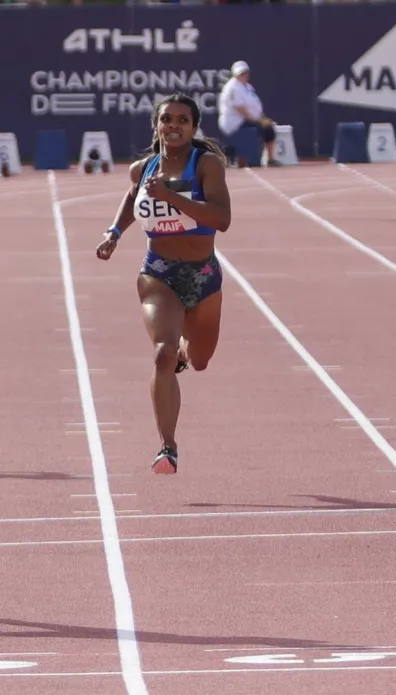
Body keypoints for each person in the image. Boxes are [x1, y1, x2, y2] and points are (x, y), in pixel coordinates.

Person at [94, 93, 231, 475]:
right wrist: (114, 232)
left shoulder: (206, 165)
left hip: (203, 275)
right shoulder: (142, 169)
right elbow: (131, 198)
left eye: (182, 120)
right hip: (158, 273)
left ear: (194, 127)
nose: (173, 126)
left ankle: (186, 351)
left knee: (199, 361)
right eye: (166, 119)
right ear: (156, 125)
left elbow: (222, 219)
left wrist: (170, 196)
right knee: (161, 355)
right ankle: (167, 447)